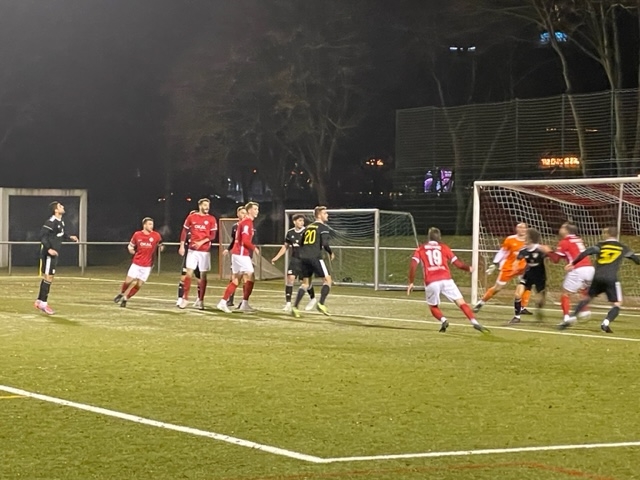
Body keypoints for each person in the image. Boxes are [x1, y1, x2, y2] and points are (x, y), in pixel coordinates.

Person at [558, 226, 640, 333]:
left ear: (607, 234)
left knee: (587, 298)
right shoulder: (622, 247)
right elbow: (636, 260)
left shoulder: (601, 245)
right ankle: (605, 323)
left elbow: (586, 252)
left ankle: (571, 317)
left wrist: (573, 263)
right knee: (617, 304)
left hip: (597, 277)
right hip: (611, 278)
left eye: (604, 233)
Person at [407, 227, 489, 333]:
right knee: (461, 303)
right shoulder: (444, 247)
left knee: (433, 306)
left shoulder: (421, 249)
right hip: (446, 279)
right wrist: (468, 268)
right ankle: (474, 322)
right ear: (439, 237)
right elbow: (458, 264)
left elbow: (413, 265)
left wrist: (411, 282)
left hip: (431, 281)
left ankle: (443, 320)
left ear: (428, 237)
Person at [474, 222, 533, 314]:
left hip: (522, 268)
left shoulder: (530, 241)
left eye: (523, 228)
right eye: (520, 227)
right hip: (509, 267)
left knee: (527, 285)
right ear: (516, 229)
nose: (522, 229)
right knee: (497, 288)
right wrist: (495, 263)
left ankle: (522, 307)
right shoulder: (510, 239)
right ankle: (481, 302)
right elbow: (502, 252)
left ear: (526, 229)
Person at [34, 201, 79, 315]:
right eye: (60, 206)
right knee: (48, 277)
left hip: (54, 253)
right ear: (56, 210)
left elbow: (61, 234)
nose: (62, 207)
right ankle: (43, 303)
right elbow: (43, 236)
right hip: (49, 254)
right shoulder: (51, 222)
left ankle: (39, 300)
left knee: (48, 277)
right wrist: (49, 249)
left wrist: (70, 237)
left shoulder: (60, 222)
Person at [546, 223, 594, 323]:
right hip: (589, 268)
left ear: (566, 231)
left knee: (565, 293)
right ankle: (585, 310)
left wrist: (548, 251)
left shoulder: (564, 242)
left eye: (562, 227)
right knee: (584, 289)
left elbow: (555, 259)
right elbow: (570, 254)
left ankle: (567, 318)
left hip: (578, 269)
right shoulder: (578, 239)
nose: (560, 229)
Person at [291, 206, 334, 318]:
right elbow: (325, 244)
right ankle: (321, 304)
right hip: (315, 257)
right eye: (325, 213)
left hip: (304, 258)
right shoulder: (323, 227)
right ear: (319, 215)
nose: (327, 215)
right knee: (327, 280)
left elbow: (300, 243)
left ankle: (295, 307)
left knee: (305, 283)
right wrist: (330, 252)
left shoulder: (307, 228)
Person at [217, 202, 260, 313]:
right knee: (250, 275)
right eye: (255, 209)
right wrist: (254, 248)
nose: (257, 211)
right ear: (249, 210)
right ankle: (244, 303)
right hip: (241, 254)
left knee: (236, 279)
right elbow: (245, 241)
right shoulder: (247, 222)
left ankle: (223, 302)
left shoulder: (244, 222)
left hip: (237, 254)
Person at [177, 198, 218, 310]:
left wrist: (201, 242)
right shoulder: (192, 217)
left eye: (208, 205)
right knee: (188, 273)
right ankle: (185, 298)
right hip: (192, 250)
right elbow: (184, 231)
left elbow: (213, 235)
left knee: (203, 276)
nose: (207, 207)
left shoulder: (211, 219)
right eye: (205, 205)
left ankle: (201, 300)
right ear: (200, 206)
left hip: (204, 251)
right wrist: (181, 245)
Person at [271, 213, 316, 312]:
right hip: (295, 259)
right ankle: (288, 303)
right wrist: (276, 257)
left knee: (304, 282)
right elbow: (285, 246)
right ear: (294, 222)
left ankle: (313, 298)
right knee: (290, 279)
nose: (302, 222)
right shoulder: (290, 233)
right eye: (299, 220)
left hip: (305, 260)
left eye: (302, 221)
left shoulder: (307, 231)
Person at [114, 217, 163, 308]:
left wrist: (161, 248)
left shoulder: (156, 235)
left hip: (147, 265)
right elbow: (130, 246)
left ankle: (126, 298)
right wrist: (131, 250)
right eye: (149, 224)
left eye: (152, 224)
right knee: (128, 281)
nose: (151, 226)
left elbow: (160, 243)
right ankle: (121, 293)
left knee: (139, 284)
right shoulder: (137, 235)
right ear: (144, 225)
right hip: (136, 263)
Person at [510, 228, 547, 324]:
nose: (524, 237)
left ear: (531, 238)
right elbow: (517, 260)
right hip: (528, 274)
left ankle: (539, 310)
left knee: (539, 300)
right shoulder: (523, 250)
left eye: (526, 235)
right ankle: (517, 317)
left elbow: (552, 256)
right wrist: (514, 266)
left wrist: (550, 253)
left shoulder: (540, 249)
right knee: (517, 294)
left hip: (540, 275)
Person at [222, 205, 247, 308]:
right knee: (234, 277)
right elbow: (234, 241)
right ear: (238, 214)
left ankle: (244, 302)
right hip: (236, 255)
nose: (244, 215)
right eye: (242, 213)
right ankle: (230, 300)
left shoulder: (249, 226)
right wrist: (228, 249)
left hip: (245, 255)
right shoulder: (235, 226)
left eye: (245, 213)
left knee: (246, 278)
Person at [176, 210, 201, 306]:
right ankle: (180, 298)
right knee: (183, 277)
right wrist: (182, 247)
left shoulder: (200, 230)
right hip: (189, 256)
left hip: (199, 257)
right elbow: (183, 240)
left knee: (199, 279)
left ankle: (199, 299)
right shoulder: (186, 231)